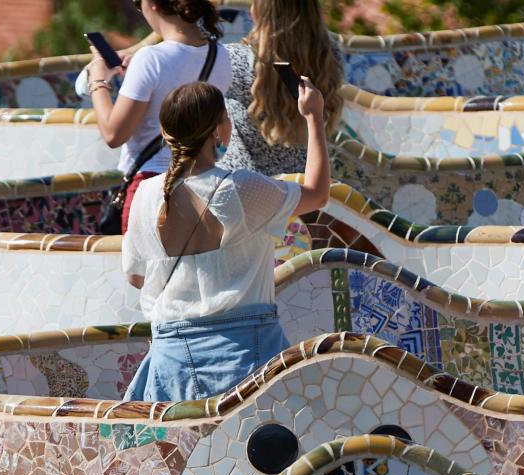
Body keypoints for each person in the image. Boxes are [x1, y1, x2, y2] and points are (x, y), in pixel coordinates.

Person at [121, 80, 332, 401]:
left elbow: (136, 277)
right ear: (220, 129)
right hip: (248, 352)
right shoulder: (242, 188)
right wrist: (314, 116)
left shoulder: (145, 195)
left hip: (172, 361)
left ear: (165, 134)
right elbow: (317, 194)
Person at [83, 0, 233, 228]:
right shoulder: (221, 55)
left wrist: (97, 79)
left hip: (151, 186)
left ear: (152, 4)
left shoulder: (150, 59)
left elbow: (114, 134)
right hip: (200, 185)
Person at [217, 0, 344, 175]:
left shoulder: (233, 60)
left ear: (261, 12)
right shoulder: (330, 57)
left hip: (244, 184)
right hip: (304, 183)